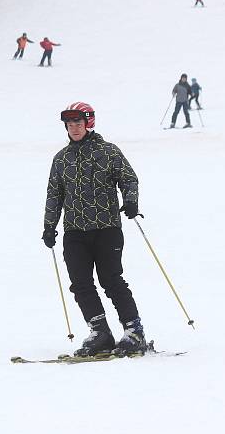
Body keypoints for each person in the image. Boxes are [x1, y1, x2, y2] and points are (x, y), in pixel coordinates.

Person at [42, 101, 147, 357]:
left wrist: (130, 200)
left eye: (78, 123)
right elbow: (54, 194)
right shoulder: (61, 159)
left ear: (89, 123)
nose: (73, 128)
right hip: (75, 232)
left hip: (106, 227)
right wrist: (49, 226)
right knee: (80, 284)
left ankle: (134, 331)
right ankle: (100, 331)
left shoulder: (108, 151)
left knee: (111, 279)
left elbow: (128, 177)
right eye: (69, 124)